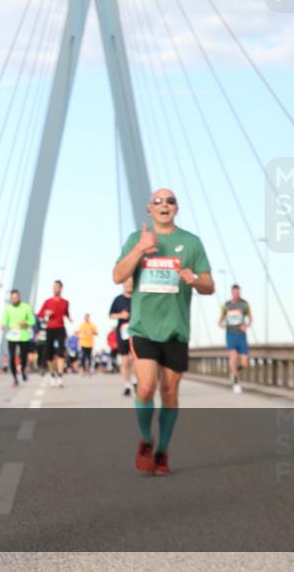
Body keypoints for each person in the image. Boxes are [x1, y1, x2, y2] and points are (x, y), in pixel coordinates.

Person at [113, 189, 213, 477]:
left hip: (175, 330)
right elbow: (118, 276)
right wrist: (140, 249)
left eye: (170, 201)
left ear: (176, 208)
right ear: (149, 209)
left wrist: (195, 280)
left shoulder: (190, 243)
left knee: (169, 392)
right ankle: (146, 439)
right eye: (158, 201)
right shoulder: (136, 240)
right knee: (145, 387)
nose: (164, 204)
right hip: (143, 328)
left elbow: (209, 285)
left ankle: (162, 451)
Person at [37, 280, 72, 387]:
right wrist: (46, 314)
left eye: (57, 287)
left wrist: (69, 318)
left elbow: (66, 312)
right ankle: (52, 375)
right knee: (49, 355)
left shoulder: (65, 302)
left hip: (61, 329)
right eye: (54, 287)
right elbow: (40, 315)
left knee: (61, 352)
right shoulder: (47, 302)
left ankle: (60, 376)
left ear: (61, 288)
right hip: (50, 328)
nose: (55, 289)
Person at [219, 284, 253, 394]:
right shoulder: (226, 305)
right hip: (231, 335)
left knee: (244, 363)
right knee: (233, 359)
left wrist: (246, 325)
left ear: (240, 292)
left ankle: (234, 373)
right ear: (231, 293)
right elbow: (220, 320)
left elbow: (251, 318)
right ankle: (236, 383)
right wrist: (221, 324)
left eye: (238, 292)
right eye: (234, 293)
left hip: (242, 336)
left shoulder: (244, 304)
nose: (236, 295)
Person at [2, 289, 36, 386]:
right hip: (12, 335)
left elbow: (32, 321)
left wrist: (26, 322)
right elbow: (4, 319)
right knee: (12, 356)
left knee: (23, 356)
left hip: (23, 335)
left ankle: (23, 370)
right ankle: (15, 378)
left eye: (16, 297)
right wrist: (3, 324)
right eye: (12, 298)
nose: (14, 299)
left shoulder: (26, 307)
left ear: (19, 297)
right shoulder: (8, 308)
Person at [109, 278, 137, 396]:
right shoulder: (118, 299)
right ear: (123, 285)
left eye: (131, 282)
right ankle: (127, 385)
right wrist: (121, 315)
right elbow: (110, 315)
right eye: (127, 283)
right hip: (123, 333)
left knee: (136, 360)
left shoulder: (138, 298)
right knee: (125, 361)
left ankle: (136, 381)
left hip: (136, 332)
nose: (129, 285)